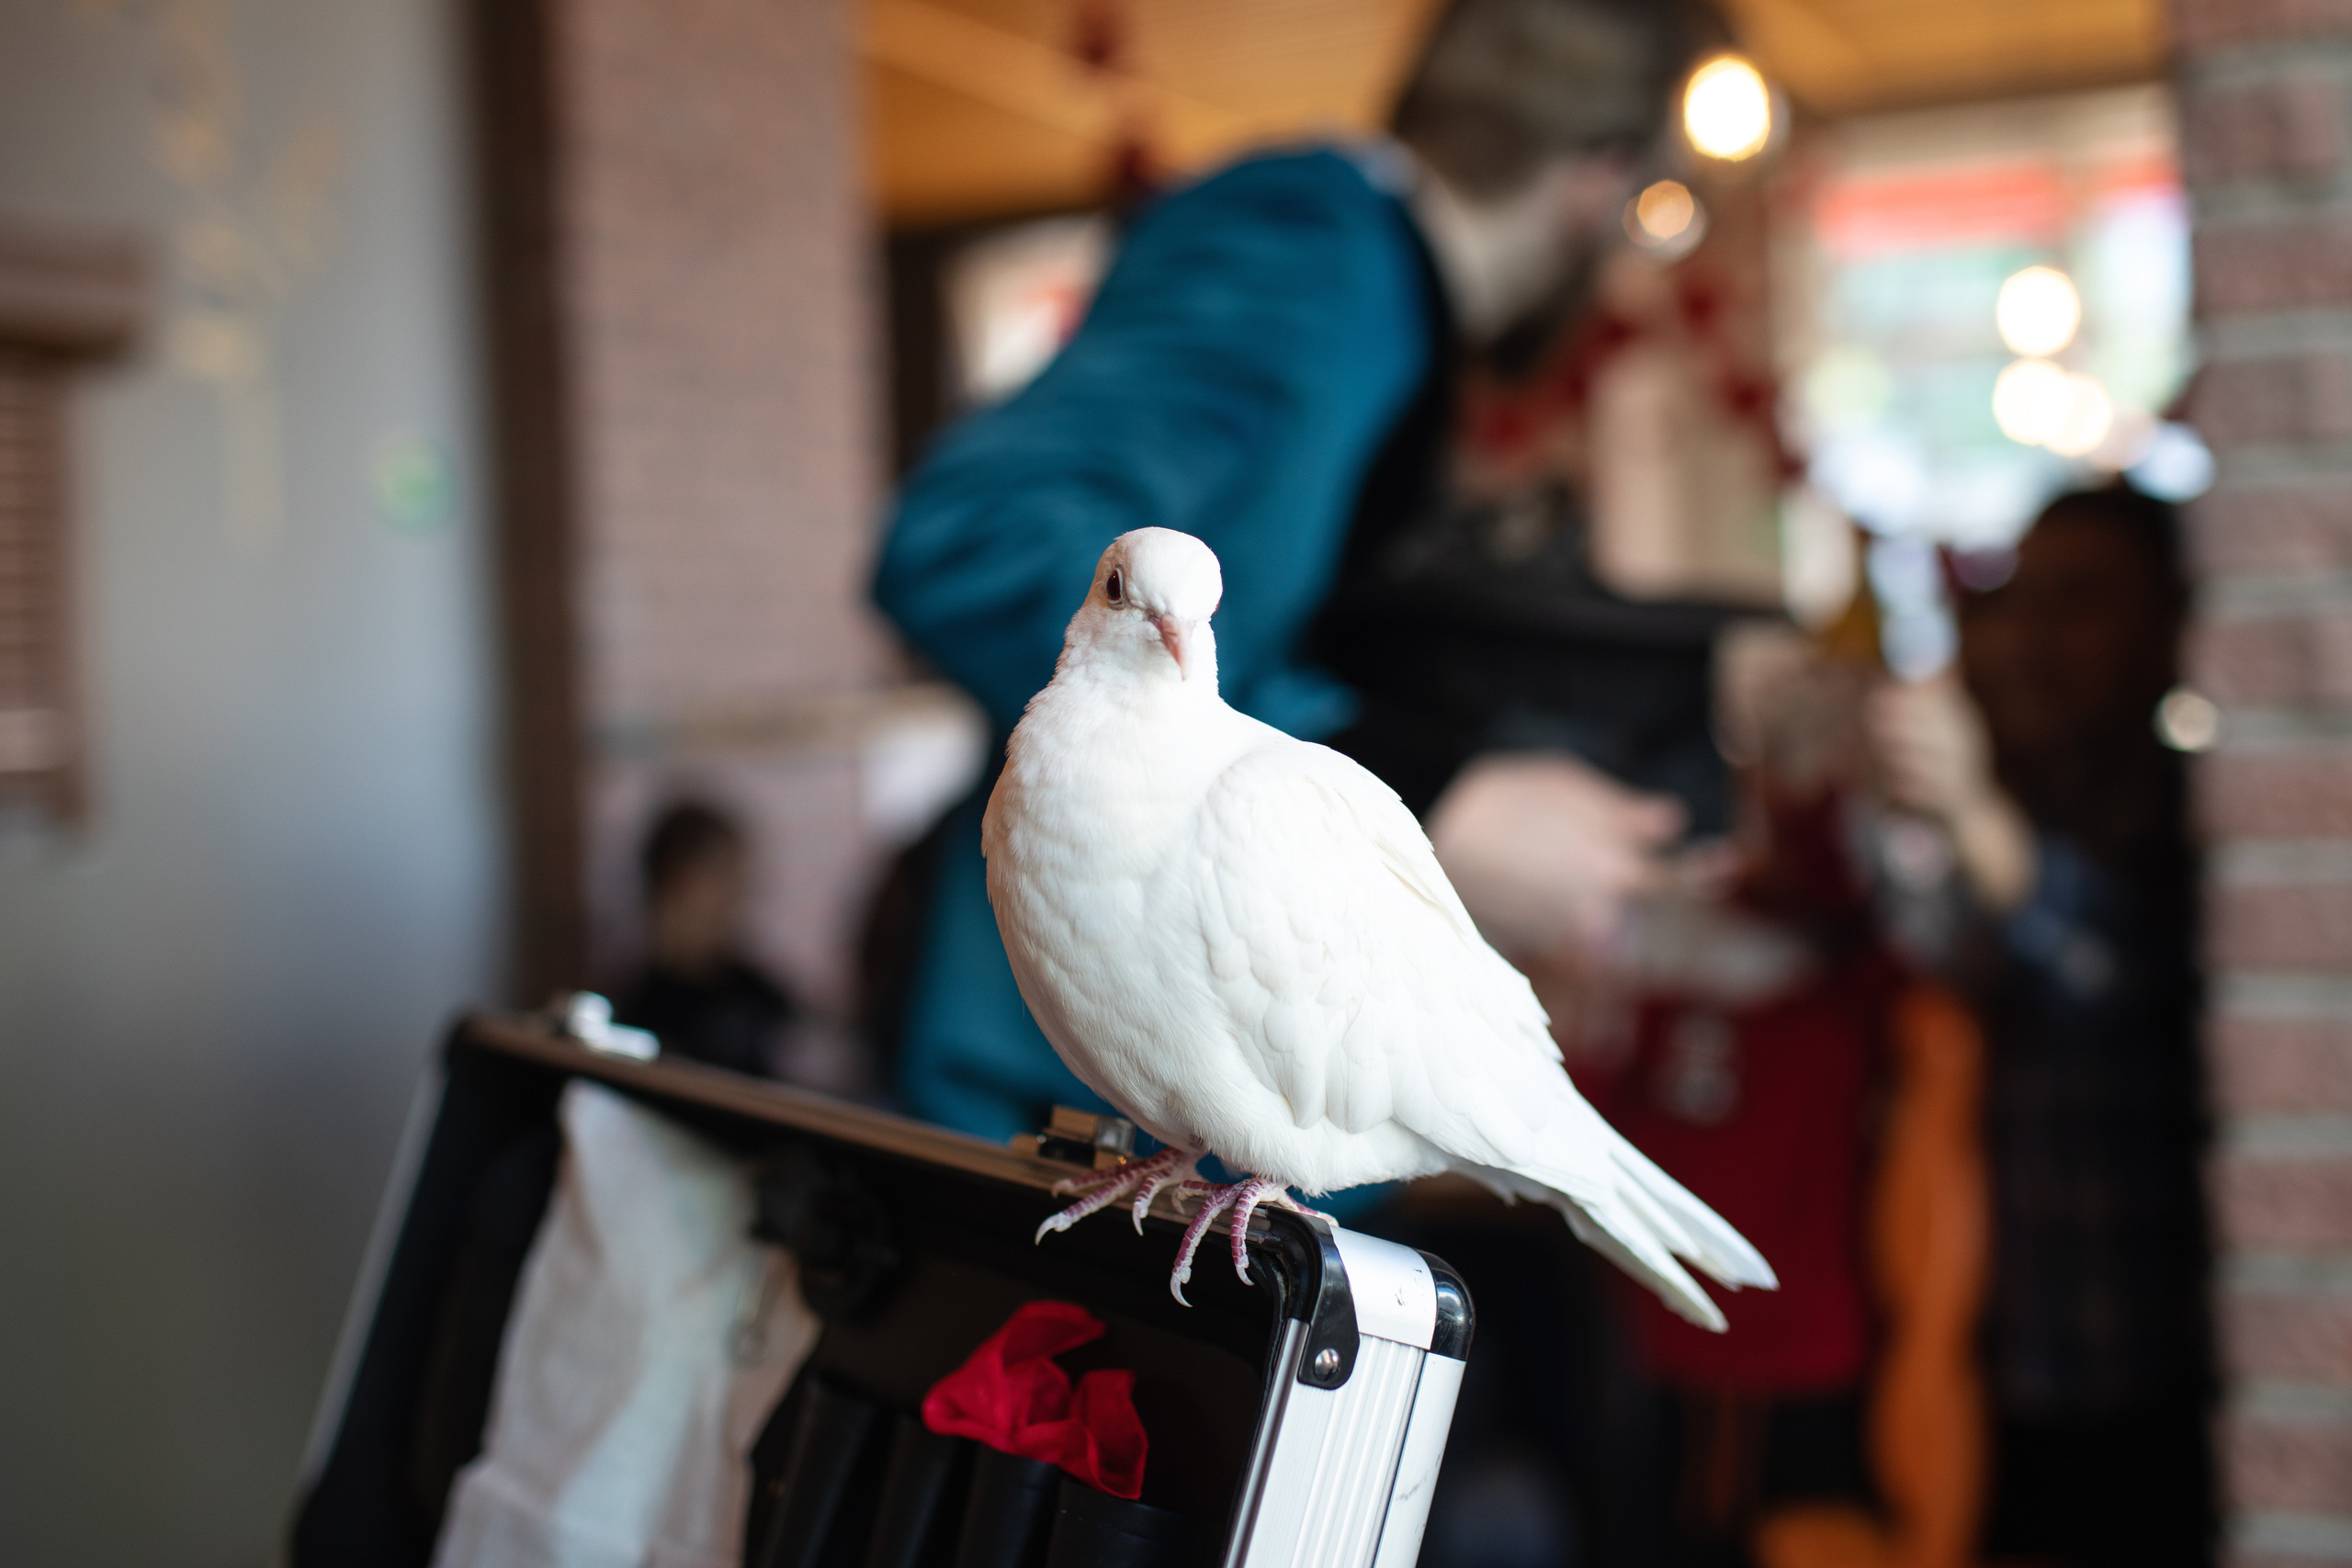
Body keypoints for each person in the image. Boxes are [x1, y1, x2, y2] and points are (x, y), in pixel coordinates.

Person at [872, 0, 1716, 1147]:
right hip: (1072, 1110)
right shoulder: (1308, 248)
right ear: (1596, 177)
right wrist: (1436, 795)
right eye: (1646, 208)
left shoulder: (1360, 279)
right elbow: (969, 536)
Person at [1868, 485, 2212, 1568]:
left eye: (2081, 602)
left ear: (2175, 627)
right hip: (1968, 1371)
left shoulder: (2193, 821)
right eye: (2012, 600)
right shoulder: (1989, 812)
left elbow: (2101, 969)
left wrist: (1970, 814)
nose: (2026, 637)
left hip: (2141, 1387)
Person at [616, 800, 799, 1080]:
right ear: (672, 884)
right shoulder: (639, 1014)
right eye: (719, 873)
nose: (736, 893)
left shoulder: (758, 993)